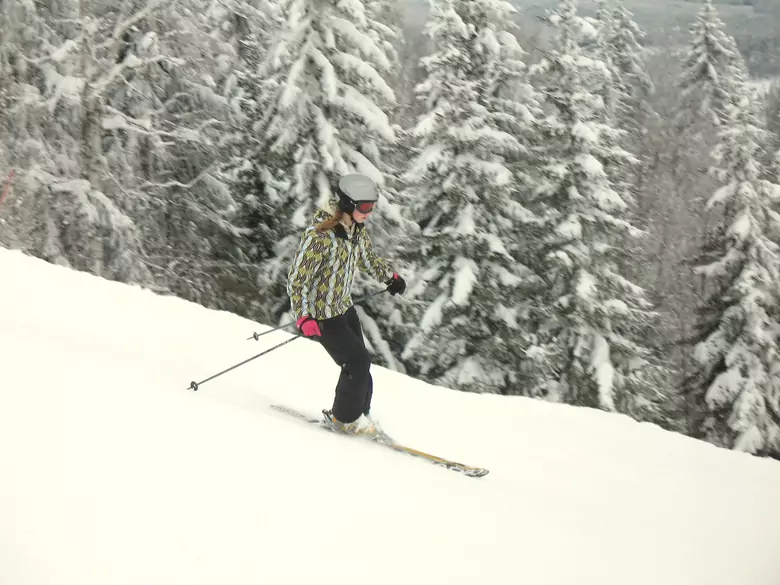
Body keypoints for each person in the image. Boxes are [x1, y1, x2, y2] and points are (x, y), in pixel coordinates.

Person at [286, 173, 406, 437]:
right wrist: (304, 316)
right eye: (364, 207)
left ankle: (360, 414)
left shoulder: (355, 232)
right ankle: (344, 419)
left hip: (343, 308)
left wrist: (390, 277)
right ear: (350, 204)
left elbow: (367, 258)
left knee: (362, 363)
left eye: (372, 207)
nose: (369, 213)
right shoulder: (320, 236)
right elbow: (297, 280)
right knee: (356, 362)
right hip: (322, 315)